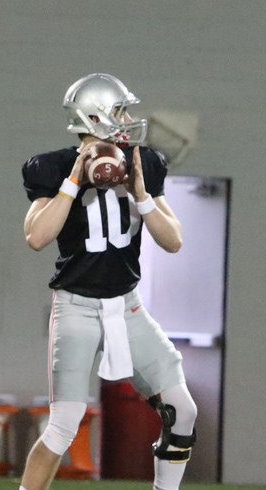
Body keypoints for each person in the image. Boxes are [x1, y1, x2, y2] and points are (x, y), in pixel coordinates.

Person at [19, 73, 198, 490]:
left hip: (127, 305)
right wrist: (73, 182)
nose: (130, 118)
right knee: (63, 425)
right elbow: (37, 237)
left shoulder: (144, 162)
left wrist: (141, 194)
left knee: (182, 411)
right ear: (94, 115)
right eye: (120, 110)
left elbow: (173, 241)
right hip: (76, 306)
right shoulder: (53, 167)